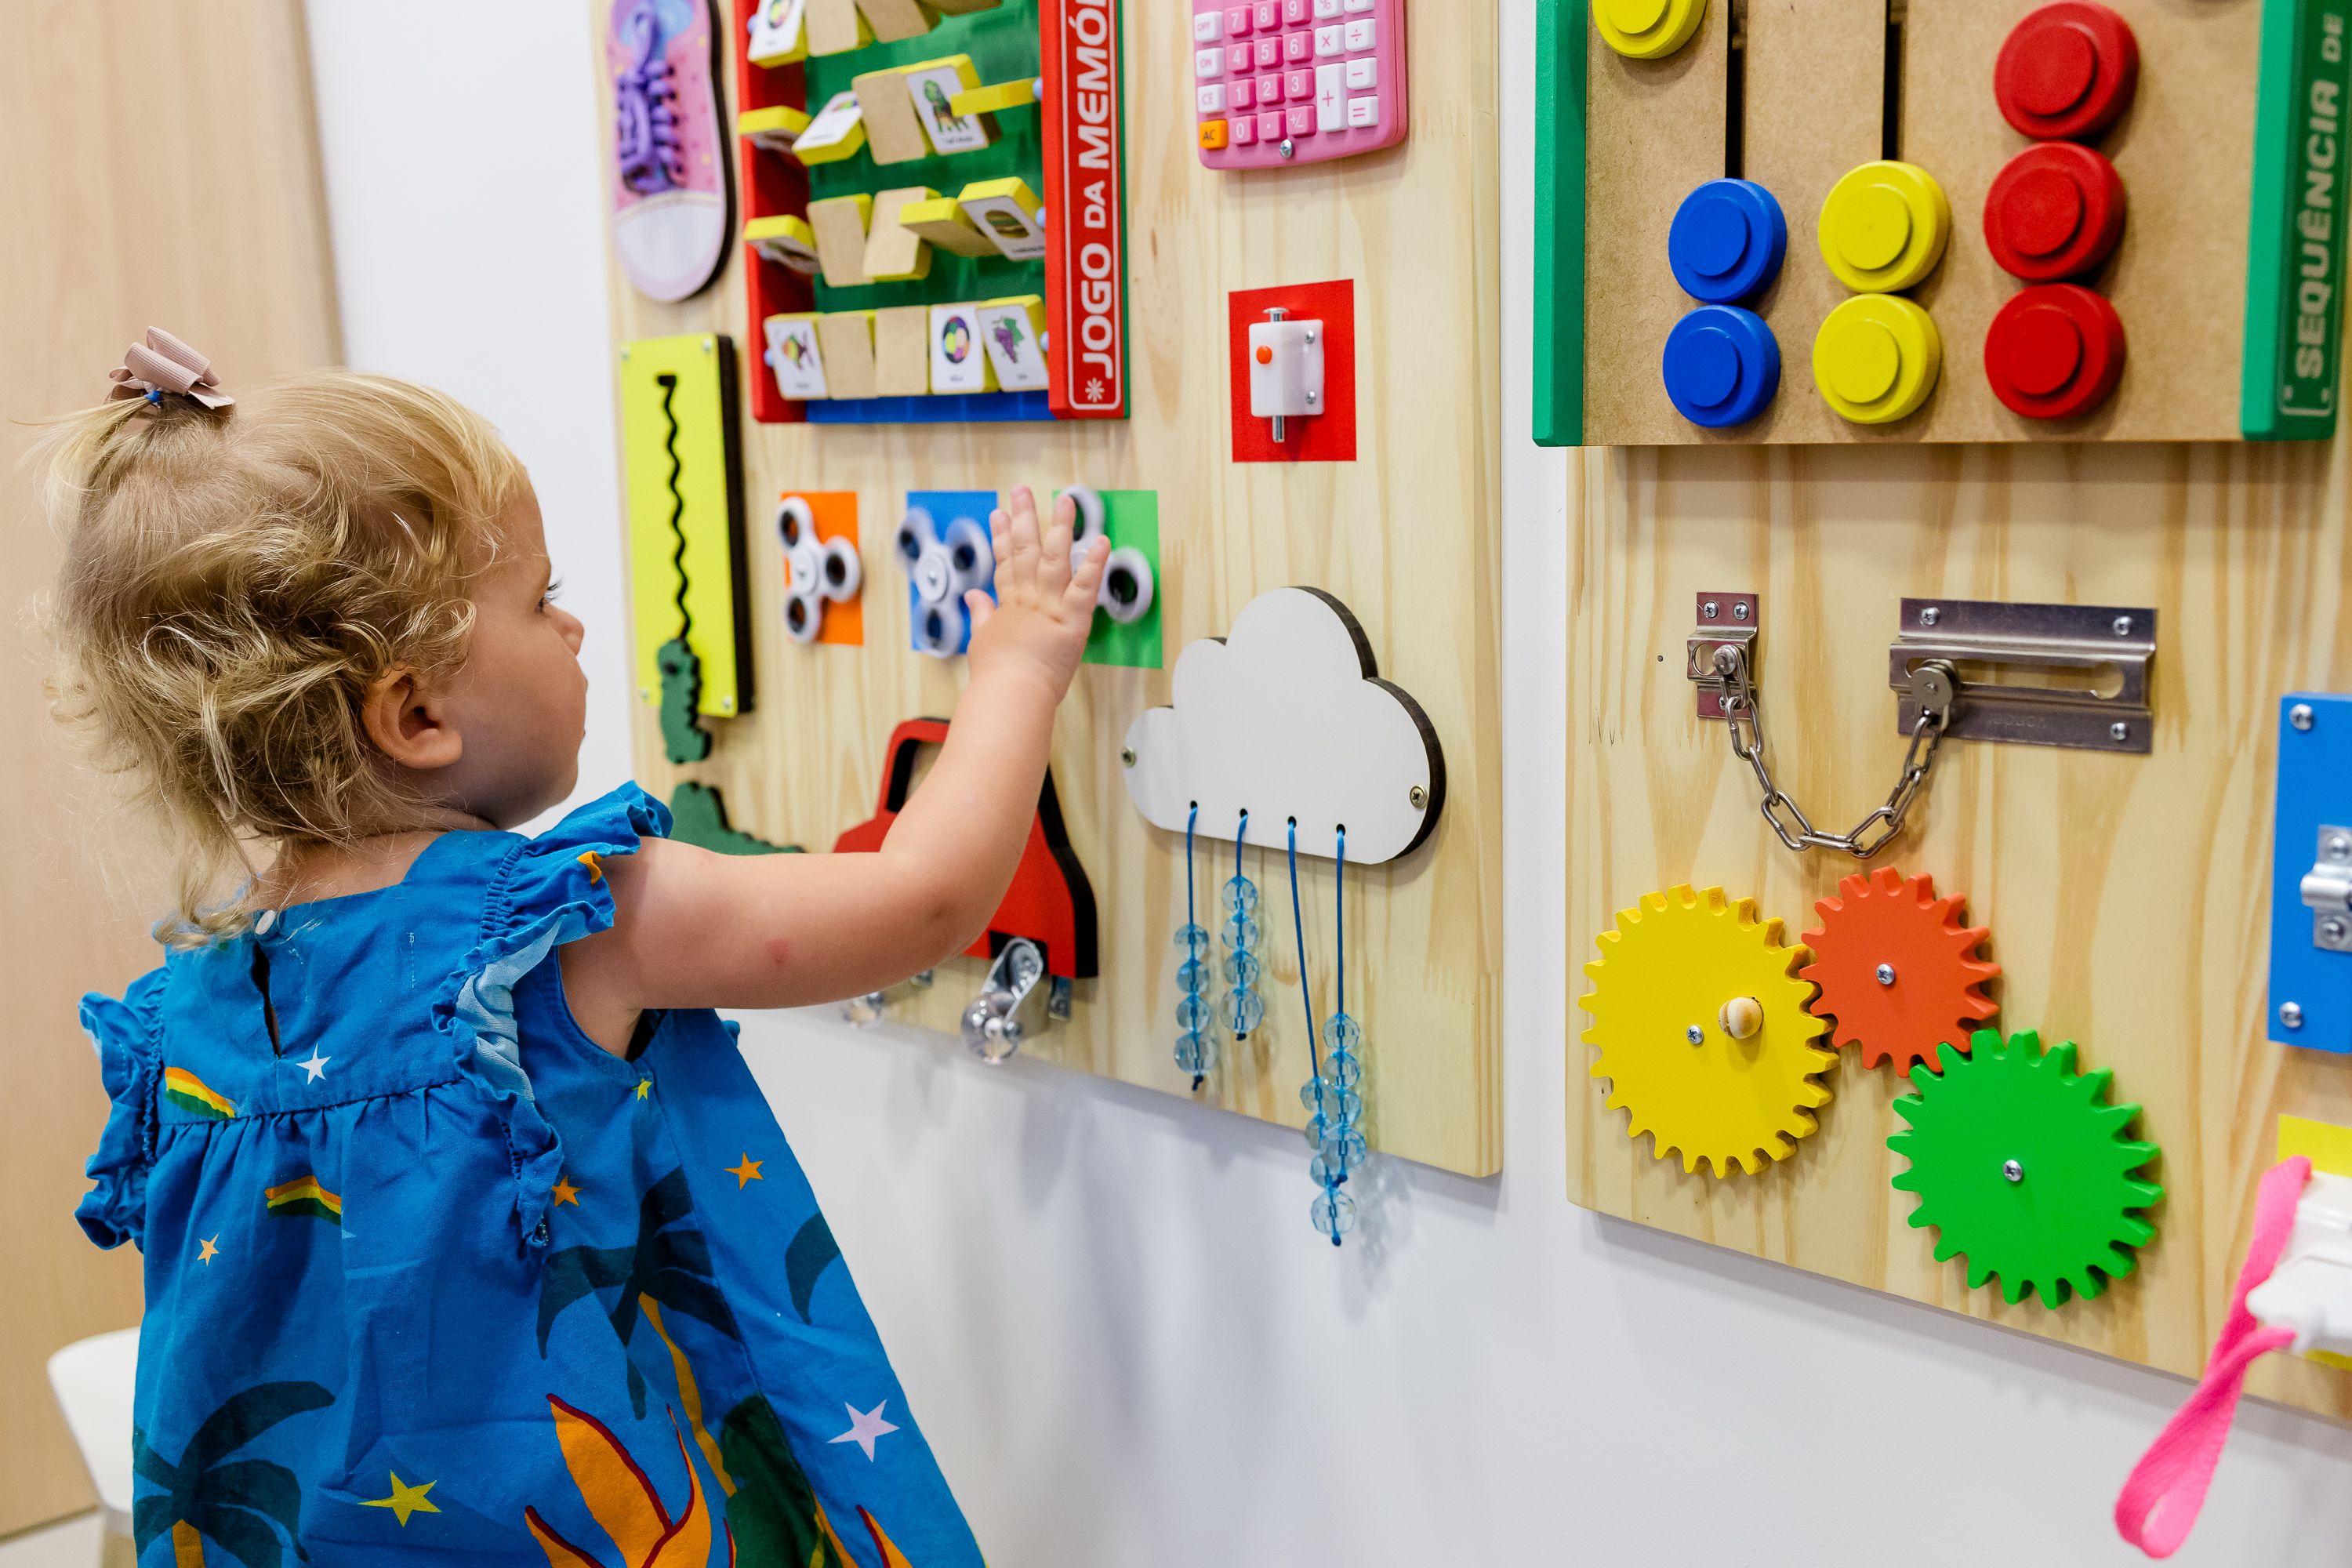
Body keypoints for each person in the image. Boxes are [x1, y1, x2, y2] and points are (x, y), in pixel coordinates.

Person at [43, 328, 1105, 1566]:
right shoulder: (564, 928)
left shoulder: (187, 1014)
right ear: (418, 713)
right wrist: (1021, 660)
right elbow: (921, 903)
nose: (580, 628)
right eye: (541, 599)